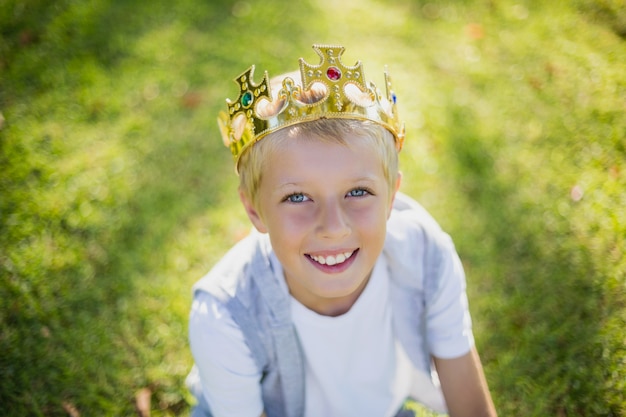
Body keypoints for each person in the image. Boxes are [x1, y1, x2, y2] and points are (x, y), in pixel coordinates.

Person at [186, 44, 497, 417]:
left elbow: (467, 394)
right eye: (298, 197)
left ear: (392, 197)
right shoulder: (227, 315)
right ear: (255, 211)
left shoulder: (424, 253)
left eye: (358, 192)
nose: (333, 227)